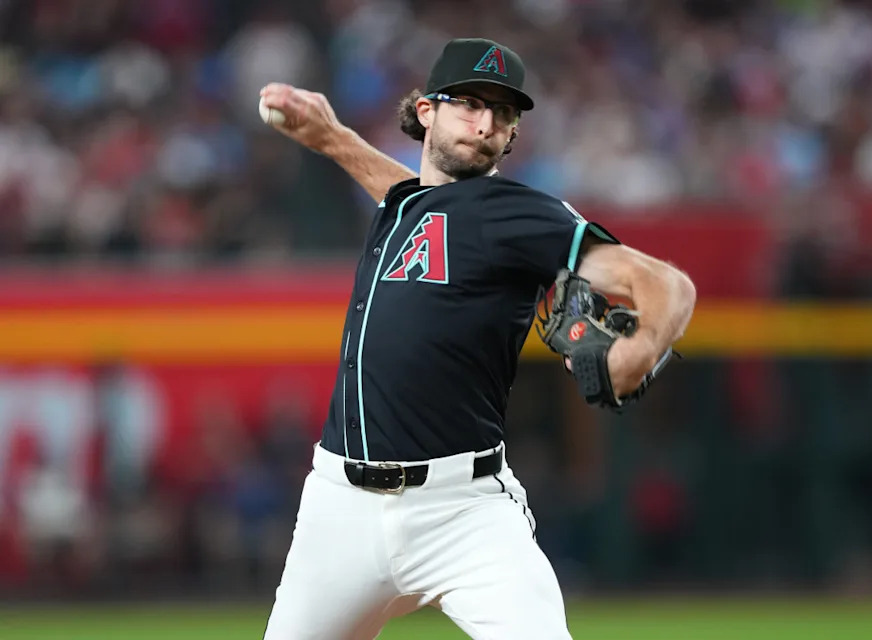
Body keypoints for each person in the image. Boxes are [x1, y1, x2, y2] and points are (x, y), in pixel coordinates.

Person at [258, 38, 696, 639]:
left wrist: (640, 349)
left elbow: (668, 286)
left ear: (513, 134)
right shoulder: (405, 204)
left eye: (503, 113)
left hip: (462, 512)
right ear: (426, 110)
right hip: (340, 506)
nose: (485, 122)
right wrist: (329, 136)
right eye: (468, 103)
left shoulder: (514, 215)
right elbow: (403, 190)